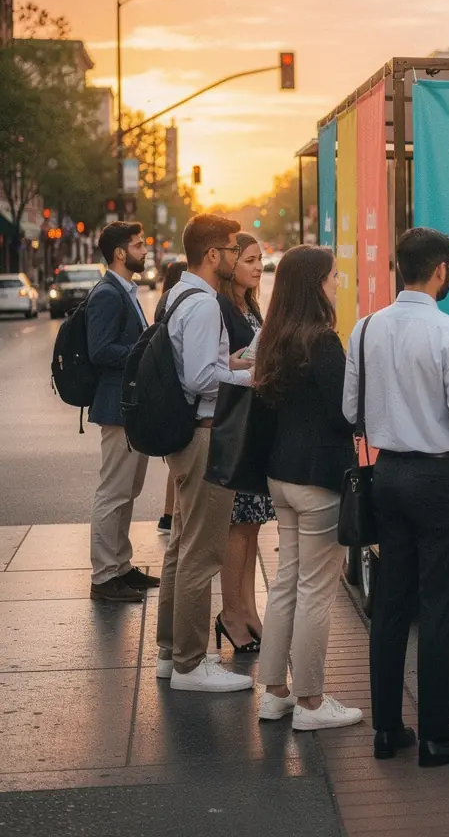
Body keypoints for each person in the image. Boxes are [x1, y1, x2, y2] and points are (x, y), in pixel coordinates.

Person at [344, 227, 449, 767]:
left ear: (398, 266)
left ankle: (387, 729)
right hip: (440, 480)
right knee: (440, 607)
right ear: (441, 270)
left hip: (386, 475)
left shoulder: (365, 329)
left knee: (390, 606)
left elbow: (351, 412)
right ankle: (437, 734)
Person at [256, 245, 363, 732]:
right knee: (316, 591)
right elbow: (347, 413)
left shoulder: (275, 335)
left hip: (281, 473)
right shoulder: (321, 340)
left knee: (285, 585)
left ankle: (275, 692)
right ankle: (312, 702)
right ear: (315, 284)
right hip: (320, 478)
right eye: (333, 277)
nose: (338, 283)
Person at [156, 214, 255, 692]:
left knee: (181, 546)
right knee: (203, 551)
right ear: (213, 254)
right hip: (203, 432)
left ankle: (169, 651)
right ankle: (192, 665)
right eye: (233, 249)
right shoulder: (205, 305)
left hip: (185, 434)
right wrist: (249, 377)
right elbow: (199, 378)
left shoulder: (179, 294)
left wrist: (230, 363)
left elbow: (200, 365)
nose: (237, 256)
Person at [86, 221, 157, 602]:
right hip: (116, 409)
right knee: (113, 491)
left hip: (130, 407)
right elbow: (99, 350)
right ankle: (103, 576)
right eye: (138, 245)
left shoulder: (125, 290)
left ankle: (121, 566)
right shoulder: (108, 294)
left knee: (128, 490)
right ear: (119, 253)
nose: (145, 250)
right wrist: (143, 353)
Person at [216, 233, 274, 655]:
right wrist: (243, 361)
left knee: (252, 527)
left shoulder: (250, 305)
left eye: (259, 260)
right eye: (249, 260)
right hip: (233, 427)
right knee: (237, 528)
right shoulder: (219, 307)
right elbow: (217, 366)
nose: (256, 267)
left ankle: (250, 609)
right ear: (230, 262)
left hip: (255, 424)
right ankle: (230, 614)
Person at [155, 259, 187, 535]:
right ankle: (171, 516)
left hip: (167, 396)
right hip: (178, 399)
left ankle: (168, 516)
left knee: (174, 467)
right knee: (179, 469)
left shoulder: (166, 301)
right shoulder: (185, 303)